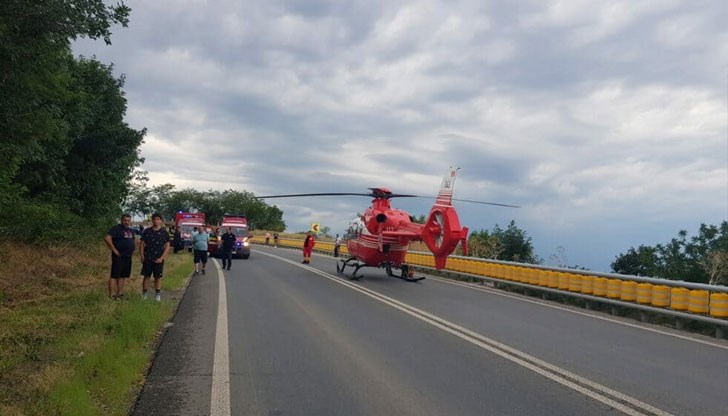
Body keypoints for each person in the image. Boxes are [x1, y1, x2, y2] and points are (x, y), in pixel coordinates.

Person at [103, 213, 136, 299]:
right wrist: (114, 250)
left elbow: (133, 241)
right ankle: (112, 294)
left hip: (128, 256)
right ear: (121, 220)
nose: (126, 222)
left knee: (123, 276)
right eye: (125, 220)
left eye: (128, 220)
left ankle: (120, 293)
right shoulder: (116, 229)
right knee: (114, 275)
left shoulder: (130, 230)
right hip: (119, 256)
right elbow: (107, 238)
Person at [140, 213, 170, 301]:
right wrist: (142, 256)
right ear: (152, 220)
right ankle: (145, 294)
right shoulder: (147, 231)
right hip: (148, 257)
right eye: (154, 219)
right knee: (147, 276)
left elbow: (167, 246)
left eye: (158, 219)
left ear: (161, 221)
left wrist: (162, 258)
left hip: (159, 258)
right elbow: (141, 245)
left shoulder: (164, 232)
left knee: (158, 276)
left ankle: (157, 294)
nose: (156, 221)